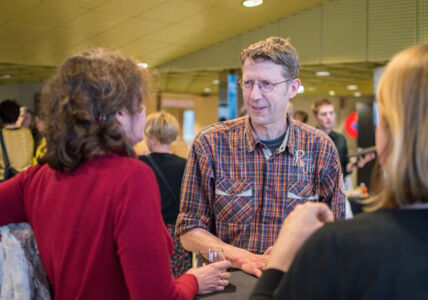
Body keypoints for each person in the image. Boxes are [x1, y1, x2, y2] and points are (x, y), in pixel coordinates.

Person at [0, 48, 231, 299]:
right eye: (139, 103)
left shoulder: (36, 178)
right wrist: (193, 280)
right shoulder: (131, 178)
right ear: (120, 113)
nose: (143, 110)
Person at [250, 43, 428, 299]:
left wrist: (279, 260)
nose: (255, 94)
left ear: (390, 134)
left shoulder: (341, 247)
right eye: (249, 83)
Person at [176, 36, 345, 278]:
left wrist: (298, 248)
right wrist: (242, 257)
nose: (254, 95)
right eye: (248, 83)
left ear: (292, 88)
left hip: (293, 282)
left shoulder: (320, 149)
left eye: (266, 84)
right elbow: (189, 230)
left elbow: (336, 230)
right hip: (228, 285)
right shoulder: (211, 144)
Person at [139, 111, 192, 278]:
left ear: (153, 137)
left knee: (152, 280)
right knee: (179, 282)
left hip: (150, 233)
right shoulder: (186, 165)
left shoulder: (139, 165)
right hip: (178, 236)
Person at [312, 98, 375, 177]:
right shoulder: (309, 139)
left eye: (331, 113)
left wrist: (358, 164)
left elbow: (345, 168)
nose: (329, 117)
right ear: (315, 116)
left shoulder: (340, 139)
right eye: (324, 114)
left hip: (338, 186)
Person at [0, 99, 34, 181]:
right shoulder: (27, 133)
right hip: (25, 179)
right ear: (18, 115)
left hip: (6, 182)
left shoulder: (2, 135)